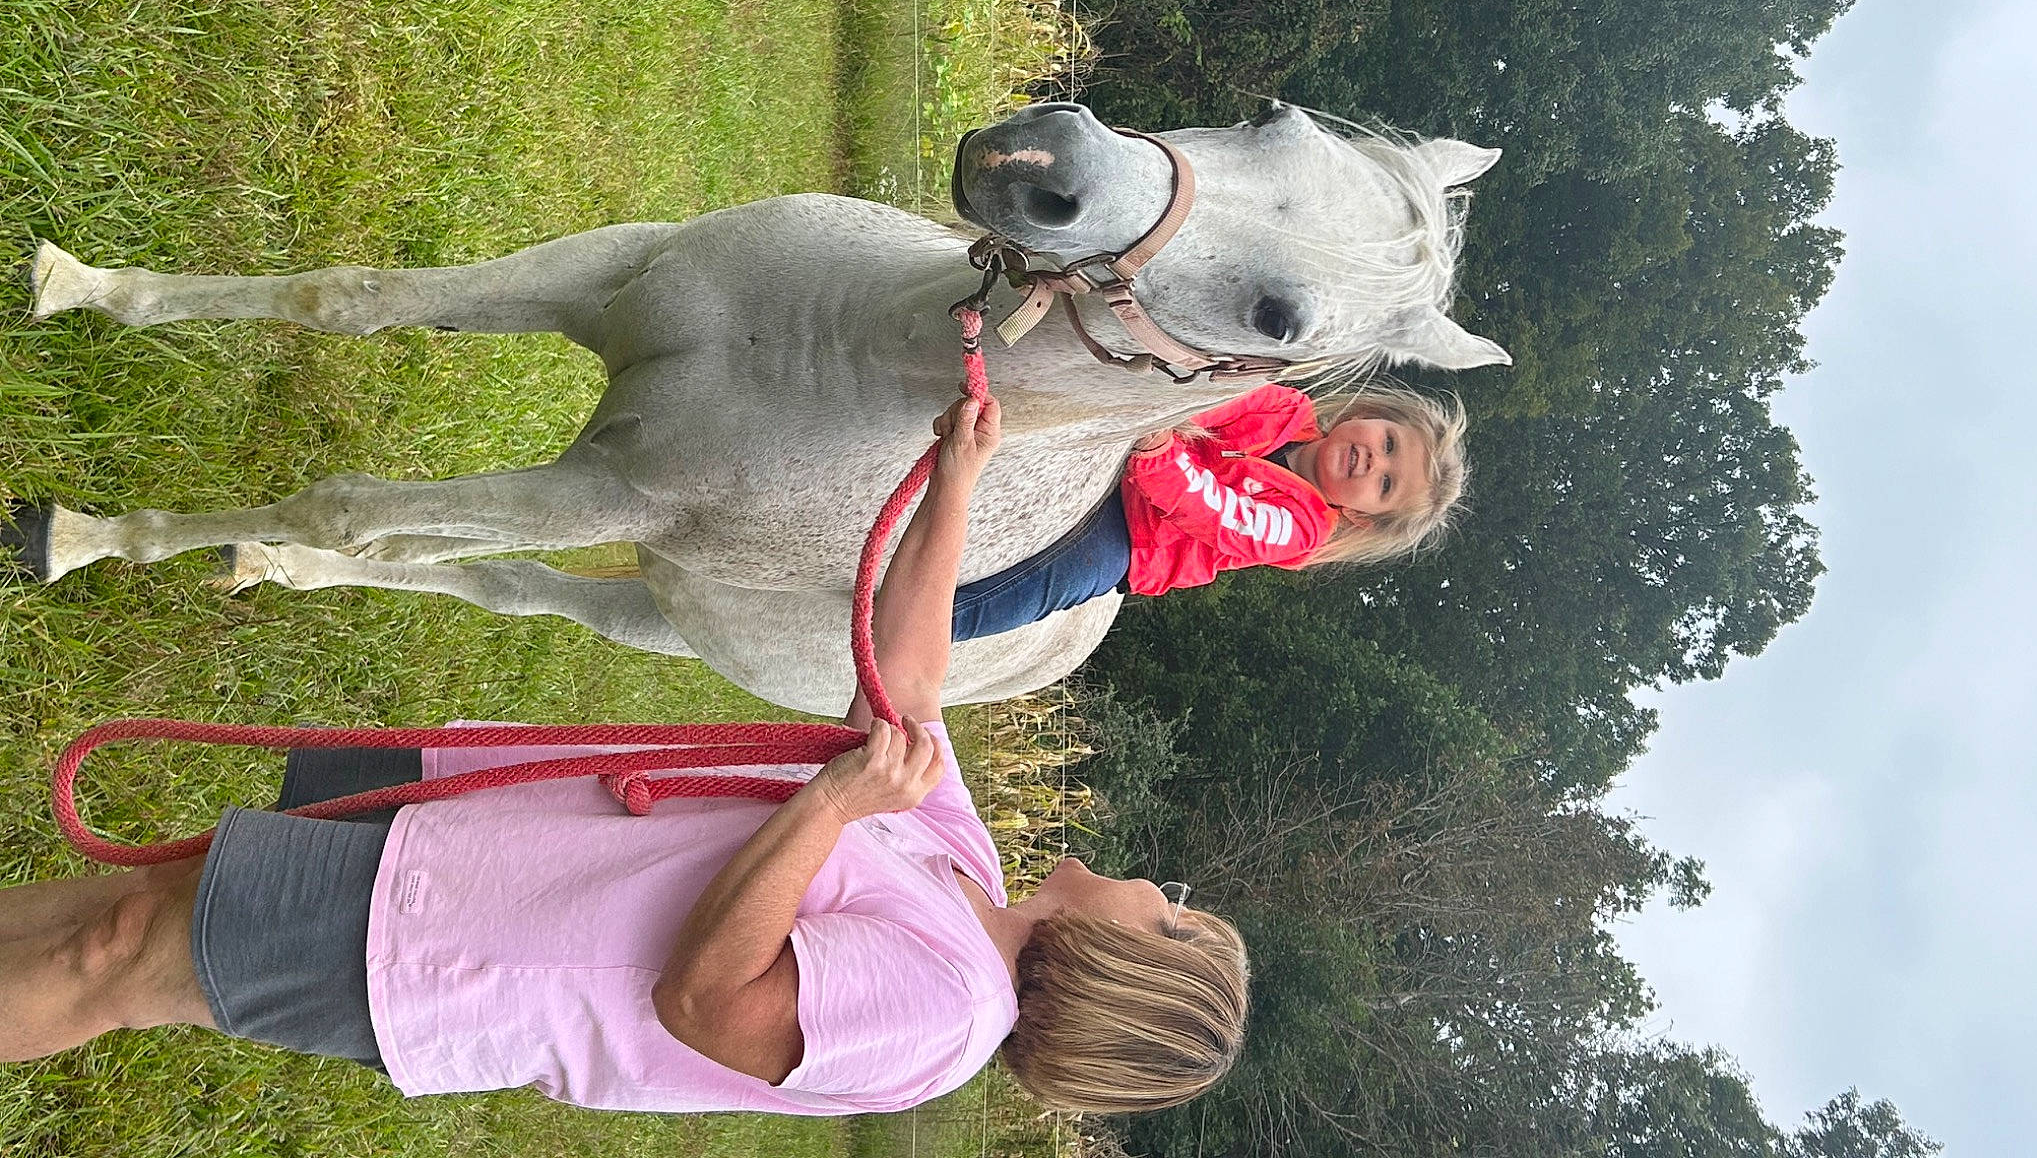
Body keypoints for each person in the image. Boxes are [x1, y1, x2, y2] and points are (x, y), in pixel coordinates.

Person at [0, 393, 1250, 1117]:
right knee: (140, 909)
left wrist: (825, 809)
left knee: (125, 961)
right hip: (482, 827)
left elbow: (712, 1005)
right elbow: (907, 687)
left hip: (454, 952)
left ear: (1138, 964)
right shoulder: (963, 873)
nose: (1159, 891)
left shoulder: (950, 1014)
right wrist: (961, 477)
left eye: (1175, 917)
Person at [951, 381, 1468, 640]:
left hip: (1136, 537)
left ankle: (927, 623)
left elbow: (1219, 513)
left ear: (1359, 517)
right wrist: (1166, 409)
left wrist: (1160, 451)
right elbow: (1213, 401)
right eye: (1390, 443)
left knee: (1052, 581)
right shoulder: (1285, 407)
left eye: (1385, 485)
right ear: (1369, 416)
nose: (1374, 460)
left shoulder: (1301, 528)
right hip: (1146, 439)